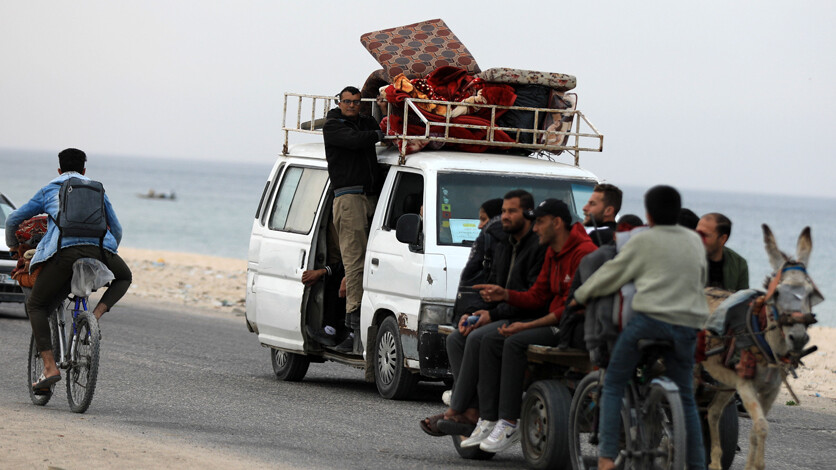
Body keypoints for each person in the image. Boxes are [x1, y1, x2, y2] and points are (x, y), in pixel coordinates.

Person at [571, 185, 709, 470]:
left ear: (649, 215)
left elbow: (612, 274)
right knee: (686, 397)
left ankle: (606, 458)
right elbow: (701, 277)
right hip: (688, 326)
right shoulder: (695, 241)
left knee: (613, 383)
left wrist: (580, 296)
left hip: (650, 323)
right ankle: (697, 465)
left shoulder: (643, 239)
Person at [466, 198, 596, 452]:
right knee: (493, 338)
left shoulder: (584, 252)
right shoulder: (552, 251)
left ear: (556, 223)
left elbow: (568, 309)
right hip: (557, 321)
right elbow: (537, 295)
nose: (535, 228)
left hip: (575, 326)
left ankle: (509, 420)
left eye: (540, 222)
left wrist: (526, 326)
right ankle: (488, 416)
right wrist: (506, 295)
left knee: (514, 341)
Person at [4, 148, 132, 392]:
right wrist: (106, 252)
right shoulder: (97, 190)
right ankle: (95, 317)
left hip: (64, 253)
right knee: (125, 277)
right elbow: (116, 229)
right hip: (100, 250)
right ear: (84, 170)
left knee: (36, 305)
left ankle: (49, 367)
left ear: (59, 169)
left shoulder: (50, 189)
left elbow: (13, 220)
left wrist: (13, 247)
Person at [419, 190, 546, 436]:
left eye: (511, 211)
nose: (504, 217)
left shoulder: (534, 247)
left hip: (526, 316)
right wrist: (475, 313)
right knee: (457, 338)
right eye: (504, 211)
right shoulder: (506, 245)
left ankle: (462, 411)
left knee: (479, 338)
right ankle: (468, 408)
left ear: (528, 214)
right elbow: (492, 290)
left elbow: (529, 297)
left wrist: (492, 315)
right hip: (506, 312)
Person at [322, 85, 385, 354]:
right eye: (347, 101)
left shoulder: (364, 122)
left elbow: (376, 130)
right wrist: (378, 134)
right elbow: (355, 141)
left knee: (372, 262)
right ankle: (351, 329)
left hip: (370, 197)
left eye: (357, 102)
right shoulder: (333, 126)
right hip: (349, 198)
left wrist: (382, 113)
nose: (352, 105)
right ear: (339, 102)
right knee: (355, 263)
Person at [303, 220, 346, 348]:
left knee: (337, 279)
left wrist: (322, 271)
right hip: (341, 267)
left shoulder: (349, 226)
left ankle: (333, 330)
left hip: (349, 270)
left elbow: (353, 260)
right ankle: (330, 329)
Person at [696, 212, 749, 291]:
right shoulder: (687, 259)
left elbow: (743, 296)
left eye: (705, 235)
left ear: (723, 239)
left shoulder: (739, 264)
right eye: (697, 233)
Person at [458, 198, 503, 286]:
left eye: (483, 219)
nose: (479, 226)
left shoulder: (485, 239)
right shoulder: (521, 240)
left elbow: (469, 271)